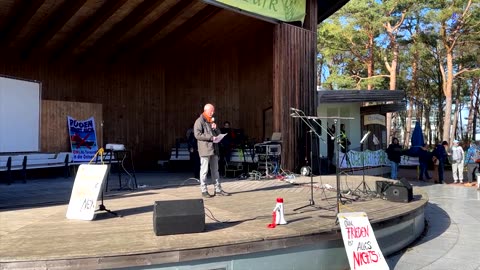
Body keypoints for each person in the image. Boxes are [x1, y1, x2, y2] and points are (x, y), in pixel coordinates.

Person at [194, 103, 230, 198]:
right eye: (211, 111)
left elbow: (218, 133)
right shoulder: (199, 121)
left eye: (213, 111)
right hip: (205, 149)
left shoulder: (212, 121)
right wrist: (211, 138)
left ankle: (218, 189)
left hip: (214, 149)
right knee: (204, 170)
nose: (213, 112)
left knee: (215, 170)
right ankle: (204, 190)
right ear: (205, 110)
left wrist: (216, 129)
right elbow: (197, 135)